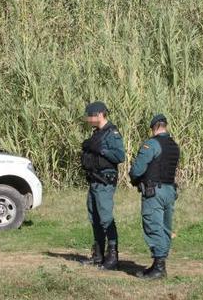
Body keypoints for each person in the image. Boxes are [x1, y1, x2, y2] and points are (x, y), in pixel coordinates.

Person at [129, 114, 180, 280]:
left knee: (153, 226)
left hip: (154, 193)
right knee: (165, 227)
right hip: (169, 191)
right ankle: (159, 263)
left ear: (155, 127)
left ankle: (159, 268)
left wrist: (135, 180)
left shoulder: (151, 144)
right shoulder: (174, 146)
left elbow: (137, 170)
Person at [79, 101, 126, 270]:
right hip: (93, 180)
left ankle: (113, 256)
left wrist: (102, 150)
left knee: (106, 218)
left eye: (90, 116)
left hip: (104, 182)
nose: (89, 119)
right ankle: (98, 255)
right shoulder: (97, 133)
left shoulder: (111, 133)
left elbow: (120, 156)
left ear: (100, 114)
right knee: (95, 218)